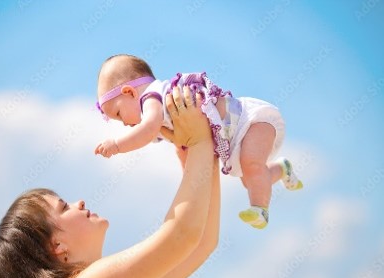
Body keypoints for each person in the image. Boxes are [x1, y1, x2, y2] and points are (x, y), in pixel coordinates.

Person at [0, 87, 220, 278]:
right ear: (57, 247)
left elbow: (201, 242)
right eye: (64, 207)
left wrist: (200, 156)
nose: (79, 203)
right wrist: (200, 141)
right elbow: (182, 236)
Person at [95, 54, 303, 229]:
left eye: (119, 114)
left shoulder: (152, 97)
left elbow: (146, 130)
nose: (123, 124)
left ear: (129, 92)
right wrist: (192, 179)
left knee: (251, 165)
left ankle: (260, 209)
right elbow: (182, 146)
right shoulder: (162, 119)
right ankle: (282, 168)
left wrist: (117, 144)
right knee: (251, 178)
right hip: (237, 137)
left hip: (250, 122)